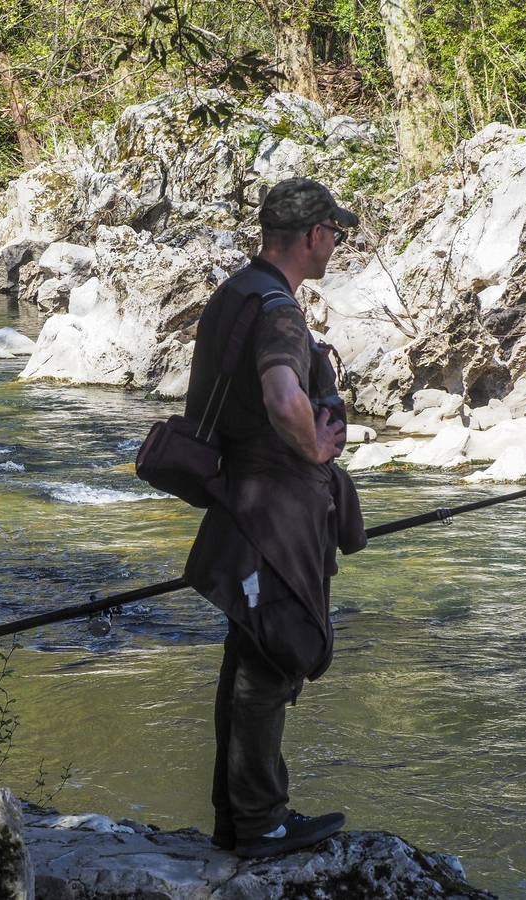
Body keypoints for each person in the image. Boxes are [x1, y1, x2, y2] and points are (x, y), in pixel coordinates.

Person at [182, 177, 366, 858]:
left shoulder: (236, 292)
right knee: (276, 660)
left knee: (248, 655)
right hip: (276, 515)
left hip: (240, 504)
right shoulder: (280, 312)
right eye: (335, 233)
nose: (337, 244)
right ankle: (261, 824)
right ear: (314, 234)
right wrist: (316, 444)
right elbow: (282, 391)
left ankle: (238, 820)